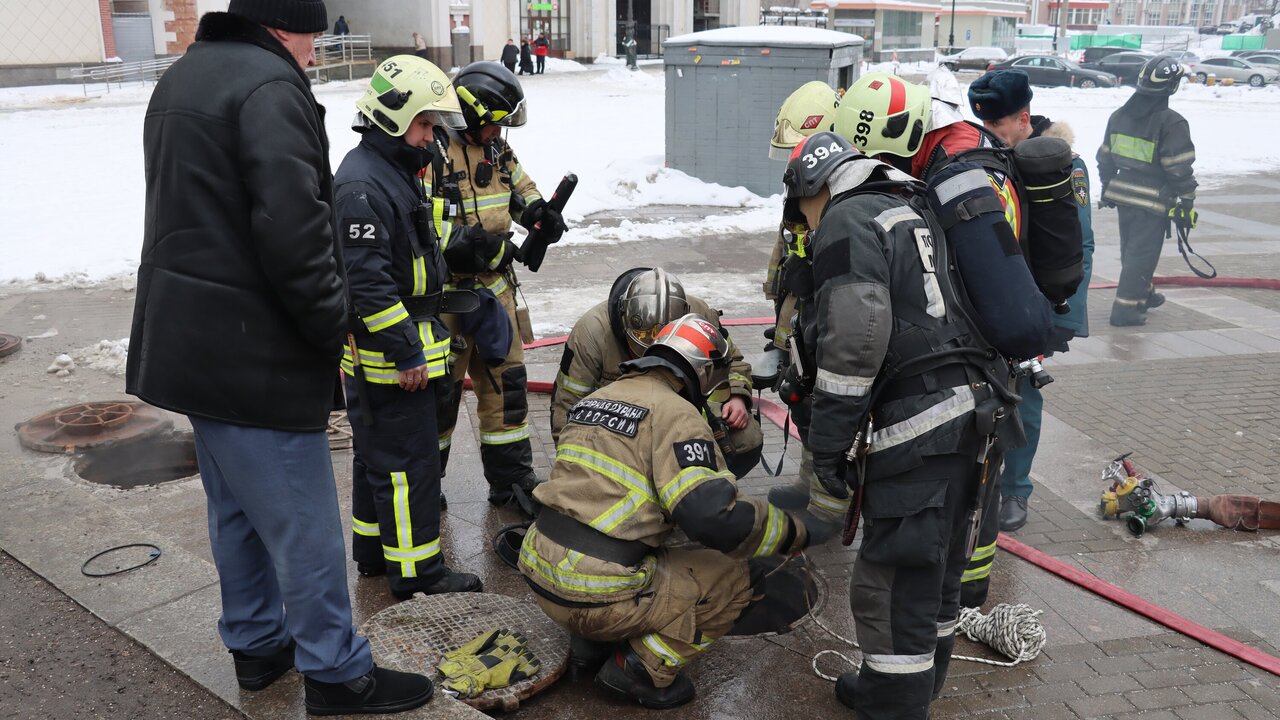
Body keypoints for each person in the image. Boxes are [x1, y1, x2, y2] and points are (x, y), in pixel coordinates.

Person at [128, 1, 433, 714]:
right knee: (304, 524)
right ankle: (336, 672)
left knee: (235, 511)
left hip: (191, 343)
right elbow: (296, 235)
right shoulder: (268, 89)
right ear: (283, 26)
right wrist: (331, 329)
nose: (314, 54)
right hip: (252, 349)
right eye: (312, 38)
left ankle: (259, 646)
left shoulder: (184, 77)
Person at [780, 132, 1017, 720]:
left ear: (812, 188)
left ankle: (892, 703)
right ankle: (920, 683)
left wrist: (830, 448)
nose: (807, 226)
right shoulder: (913, 207)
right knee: (936, 569)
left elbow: (855, 344)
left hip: (923, 426)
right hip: (982, 414)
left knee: (891, 582)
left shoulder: (846, 219)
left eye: (801, 214)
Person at [520, 314, 811, 709]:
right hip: (593, 592)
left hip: (541, 569)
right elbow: (713, 518)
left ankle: (589, 644)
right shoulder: (677, 413)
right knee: (735, 576)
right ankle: (640, 669)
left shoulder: (596, 399)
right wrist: (788, 531)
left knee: (636, 541)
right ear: (703, 371)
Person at [335, 55, 484, 600]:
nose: (430, 137)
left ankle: (374, 553)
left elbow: (410, 248)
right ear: (394, 118)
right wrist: (406, 354)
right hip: (391, 359)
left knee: (378, 461)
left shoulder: (387, 173)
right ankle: (420, 572)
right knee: (409, 467)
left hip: (394, 351)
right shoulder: (363, 187)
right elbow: (369, 287)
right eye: (425, 124)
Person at [967, 69, 1095, 535]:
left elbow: (1079, 244)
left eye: (999, 130)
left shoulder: (1062, 166)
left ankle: (1016, 491)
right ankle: (981, 479)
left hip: (1041, 301)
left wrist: (1064, 315)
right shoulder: (987, 154)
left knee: (1024, 399)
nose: (992, 138)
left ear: (1024, 118)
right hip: (994, 297)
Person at [433, 61, 563, 515]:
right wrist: (490, 249)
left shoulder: (496, 151)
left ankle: (511, 481)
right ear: (467, 115)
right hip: (445, 298)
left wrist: (539, 214)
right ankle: (426, 485)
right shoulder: (430, 152)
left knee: (505, 385)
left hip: (495, 294)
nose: (497, 134)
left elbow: (520, 189)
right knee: (440, 396)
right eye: (491, 125)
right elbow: (429, 232)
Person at [550, 268, 764, 481]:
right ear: (624, 320)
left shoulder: (699, 315)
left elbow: (733, 362)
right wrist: (573, 471)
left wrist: (736, 397)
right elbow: (567, 404)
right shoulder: (592, 332)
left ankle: (707, 484)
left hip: (685, 413)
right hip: (620, 427)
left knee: (746, 440)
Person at [762, 81, 850, 544]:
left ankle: (828, 508)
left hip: (828, 315)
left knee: (827, 408)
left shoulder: (843, 190)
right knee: (803, 403)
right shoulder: (807, 183)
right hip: (800, 310)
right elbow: (787, 243)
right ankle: (806, 483)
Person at [1097, 55, 1197, 327]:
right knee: (1141, 255)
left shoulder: (1118, 116)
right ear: (1172, 86)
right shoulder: (1171, 122)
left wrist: (1107, 186)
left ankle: (1144, 293)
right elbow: (1178, 168)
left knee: (1131, 251)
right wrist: (1187, 199)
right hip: (1151, 200)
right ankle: (1126, 310)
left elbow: (1105, 157)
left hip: (1123, 197)